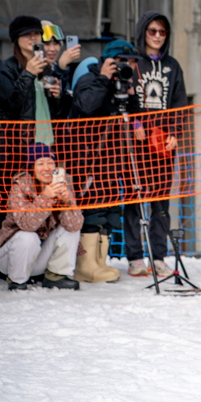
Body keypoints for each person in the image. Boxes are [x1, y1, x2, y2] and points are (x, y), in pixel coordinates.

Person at [68, 40, 145, 281]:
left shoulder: (124, 83)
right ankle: (85, 265)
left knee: (110, 208)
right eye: (124, 62)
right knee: (94, 207)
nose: (129, 66)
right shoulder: (91, 78)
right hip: (90, 158)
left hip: (114, 159)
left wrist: (131, 95)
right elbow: (86, 106)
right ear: (110, 61)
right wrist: (104, 79)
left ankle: (99, 262)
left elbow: (134, 116)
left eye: (132, 62)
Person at [124, 11, 186, 278]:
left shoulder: (173, 65)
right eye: (152, 31)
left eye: (162, 32)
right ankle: (136, 257)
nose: (158, 36)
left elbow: (179, 102)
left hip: (163, 144)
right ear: (143, 32)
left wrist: (175, 132)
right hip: (135, 143)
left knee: (161, 203)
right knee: (134, 200)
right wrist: (135, 124)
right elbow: (123, 99)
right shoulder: (132, 63)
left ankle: (159, 256)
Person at [0, 144, 83, 290]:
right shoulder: (19, 186)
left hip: (37, 258)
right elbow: (27, 225)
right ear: (31, 167)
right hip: (9, 259)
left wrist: (67, 203)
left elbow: (75, 226)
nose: (46, 168)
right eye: (40, 163)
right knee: (27, 236)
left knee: (69, 229)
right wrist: (46, 197)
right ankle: (17, 281)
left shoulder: (62, 183)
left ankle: (56, 276)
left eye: (50, 163)